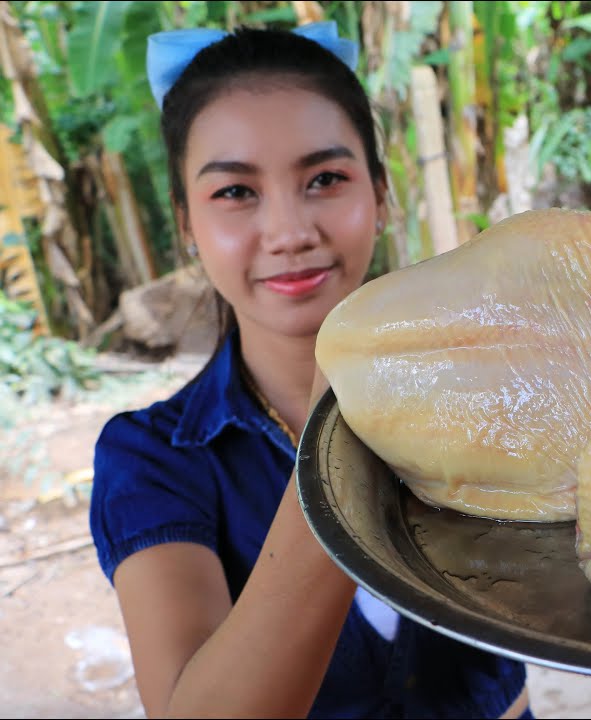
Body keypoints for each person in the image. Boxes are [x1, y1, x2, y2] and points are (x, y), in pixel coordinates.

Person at [89, 23, 530, 719]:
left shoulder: (485, 382)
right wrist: (338, 451)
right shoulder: (151, 460)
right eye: (235, 192)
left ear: (379, 194)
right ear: (185, 222)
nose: (291, 231)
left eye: (325, 179)